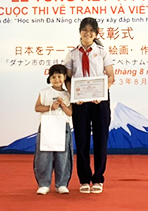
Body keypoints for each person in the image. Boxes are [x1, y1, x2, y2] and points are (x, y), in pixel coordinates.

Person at [63, 17, 114, 194]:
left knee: (101, 141)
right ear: (79, 31)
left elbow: (110, 77)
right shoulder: (72, 54)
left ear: (96, 33)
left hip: (100, 103)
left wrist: (100, 93)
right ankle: (84, 179)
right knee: (82, 141)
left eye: (92, 30)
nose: (88, 32)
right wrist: (73, 95)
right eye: (84, 29)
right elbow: (68, 79)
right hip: (80, 103)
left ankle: (98, 179)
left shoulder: (102, 52)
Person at [33, 64, 73, 195]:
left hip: (63, 126)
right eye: (53, 77)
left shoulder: (68, 94)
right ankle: (44, 183)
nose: (57, 79)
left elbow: (70, 113)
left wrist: (62, 104)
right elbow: (37, 108)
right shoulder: (44, 92)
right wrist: (51, 107)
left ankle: (61, 184)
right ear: (49, 78)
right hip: (47, 125)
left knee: (63, 155)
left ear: (65, 77)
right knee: (44, 155)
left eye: (59, 76)